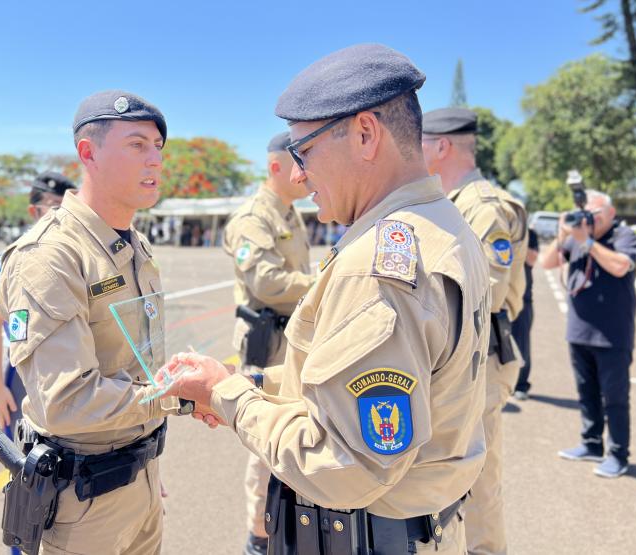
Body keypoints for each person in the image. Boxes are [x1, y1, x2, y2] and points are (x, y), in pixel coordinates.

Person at [160, 44, 491, 554]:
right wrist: (248, 383)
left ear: (365, 134)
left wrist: (228, 398)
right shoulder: (441, 224)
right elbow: (347, 386)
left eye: (304, 151)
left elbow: (343, 466)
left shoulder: (375, 265)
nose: (298, 174)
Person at [0, 90, 188, 555]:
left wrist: (144, 469)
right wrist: (179, 396)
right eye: (137, 145)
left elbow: (135, 364)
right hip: (85, 501)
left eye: (157, 147)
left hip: (139, 473)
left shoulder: (133, 243)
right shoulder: (51, 255)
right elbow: (67, 400)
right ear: (89, 153)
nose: (155, 159)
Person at [421, 107, 528, 555]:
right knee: (452, 474)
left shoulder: (483, 207)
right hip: (463, 358)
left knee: (478, 478)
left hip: (481, 358)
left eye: (421, 142)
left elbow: (488, 293)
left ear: (442, 146)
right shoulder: (454, 202)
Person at [222, 130, 314, 555]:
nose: (305, 172)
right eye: (298, 162)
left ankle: (284, 525)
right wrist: (323, 283)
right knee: (265, 438)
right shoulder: (253, 218)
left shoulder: (290, 213)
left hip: (291, 337)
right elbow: (266, 282)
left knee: (295, 430)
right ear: (276, 166)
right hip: (267, 340)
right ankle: (259, 535)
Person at [540, 182, 636, 479]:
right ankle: (591, 443)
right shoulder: (577, 235)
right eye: (586, 213)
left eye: (596, 214)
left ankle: (618, 455)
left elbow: (620, 266)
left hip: (612, 335)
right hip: (579, 331)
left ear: (611, 212)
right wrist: (564, 233)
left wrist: (587, 242)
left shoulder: (623, 236)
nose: (590, 219)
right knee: (587, 393)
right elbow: (547, 262)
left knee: (615, 399)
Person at [0, 171, 74, 438]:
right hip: (23, 370)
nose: (63, 215)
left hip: (71, 370)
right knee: (22, 451)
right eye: (55, 206)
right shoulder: (12, 257)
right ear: (34, 211)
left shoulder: (80, 255)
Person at [513, 228, 539, 400]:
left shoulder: (529, 234)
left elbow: (532, 259)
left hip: (522, 298)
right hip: (498, 297)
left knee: (522, 344)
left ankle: (521, 384)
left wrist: (516, 240)